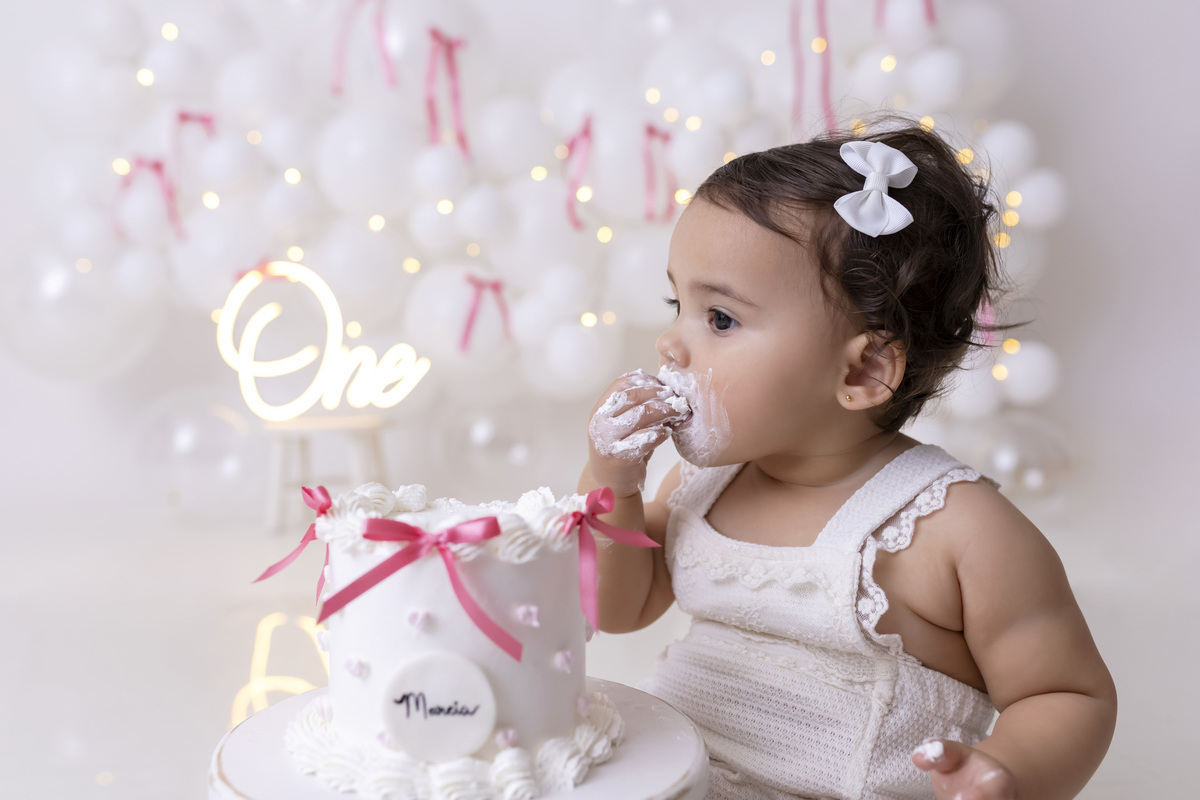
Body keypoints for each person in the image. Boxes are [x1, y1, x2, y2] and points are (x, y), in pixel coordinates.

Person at [577, 119, 1116, 800]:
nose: (670, 343)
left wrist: (1004, 772)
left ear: (862, 372)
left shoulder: (957, 531)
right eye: (677, 303)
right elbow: (617, 607)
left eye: (720, 319)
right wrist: (612, 484)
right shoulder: (701, 485)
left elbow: (1065, 693)